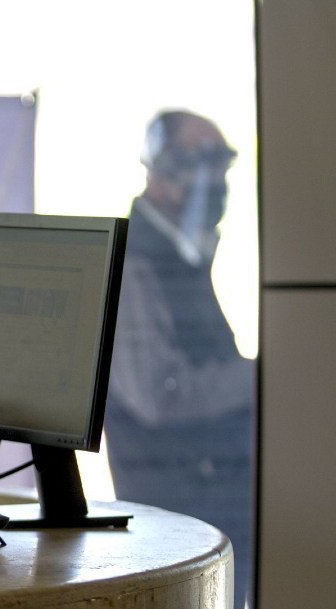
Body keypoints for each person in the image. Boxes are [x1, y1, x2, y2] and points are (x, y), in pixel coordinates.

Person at [103, 109, 254, 608]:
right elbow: (157, 394)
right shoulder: (138, 260)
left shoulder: (183, 253)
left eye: (221, 168)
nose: (214, 184)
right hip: (178, 514)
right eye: (200, 165)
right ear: (158, 172)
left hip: (208, 505)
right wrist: (263, 381)